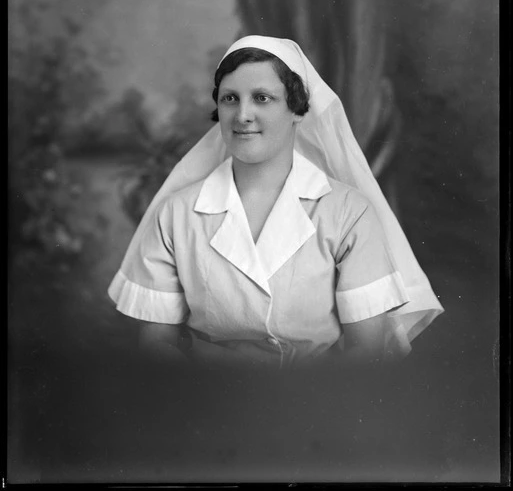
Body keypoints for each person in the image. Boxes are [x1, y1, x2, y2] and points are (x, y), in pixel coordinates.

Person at [108, 36, 443, 368]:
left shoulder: (348, 213)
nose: (242, 115)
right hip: (205, 400)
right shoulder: (175, 214)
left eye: (262, 98)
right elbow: (157, 344)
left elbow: (367, 352)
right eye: (230, 99)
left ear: (297, 110)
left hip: (317, 402)